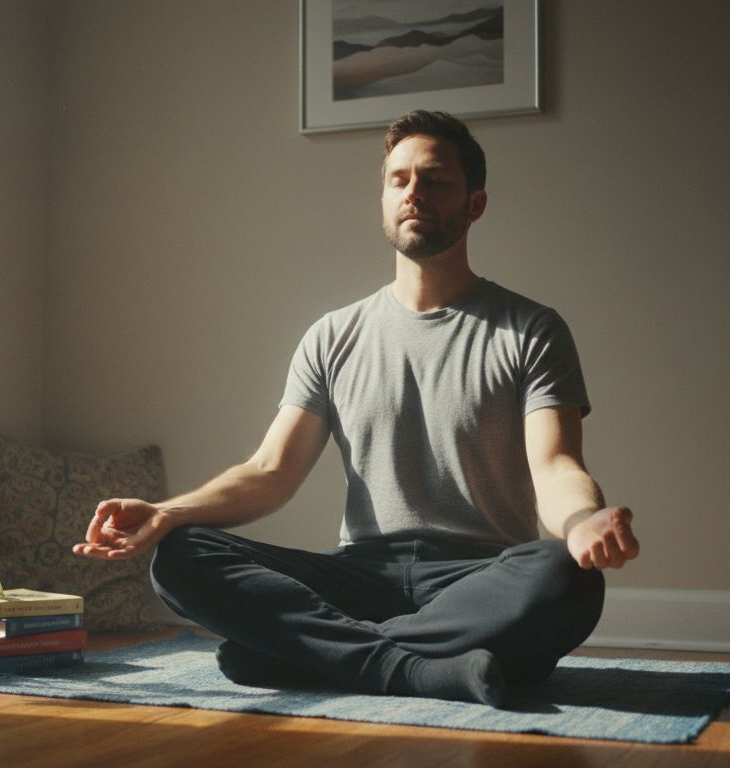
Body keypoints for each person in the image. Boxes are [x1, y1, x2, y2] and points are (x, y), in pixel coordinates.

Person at [72, 110, 639, 707]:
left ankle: (311, 654)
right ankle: (419, 669)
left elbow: (554, 466)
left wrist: (582, 525)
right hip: (360, 576)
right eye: (398, 179)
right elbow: (269, 472)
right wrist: (167, 512)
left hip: (476, 578)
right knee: (180, 555)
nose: (413, 193)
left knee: (565, 578)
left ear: (475, 204)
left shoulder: (531, 330)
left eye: (435, 180)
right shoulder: (332, 336)